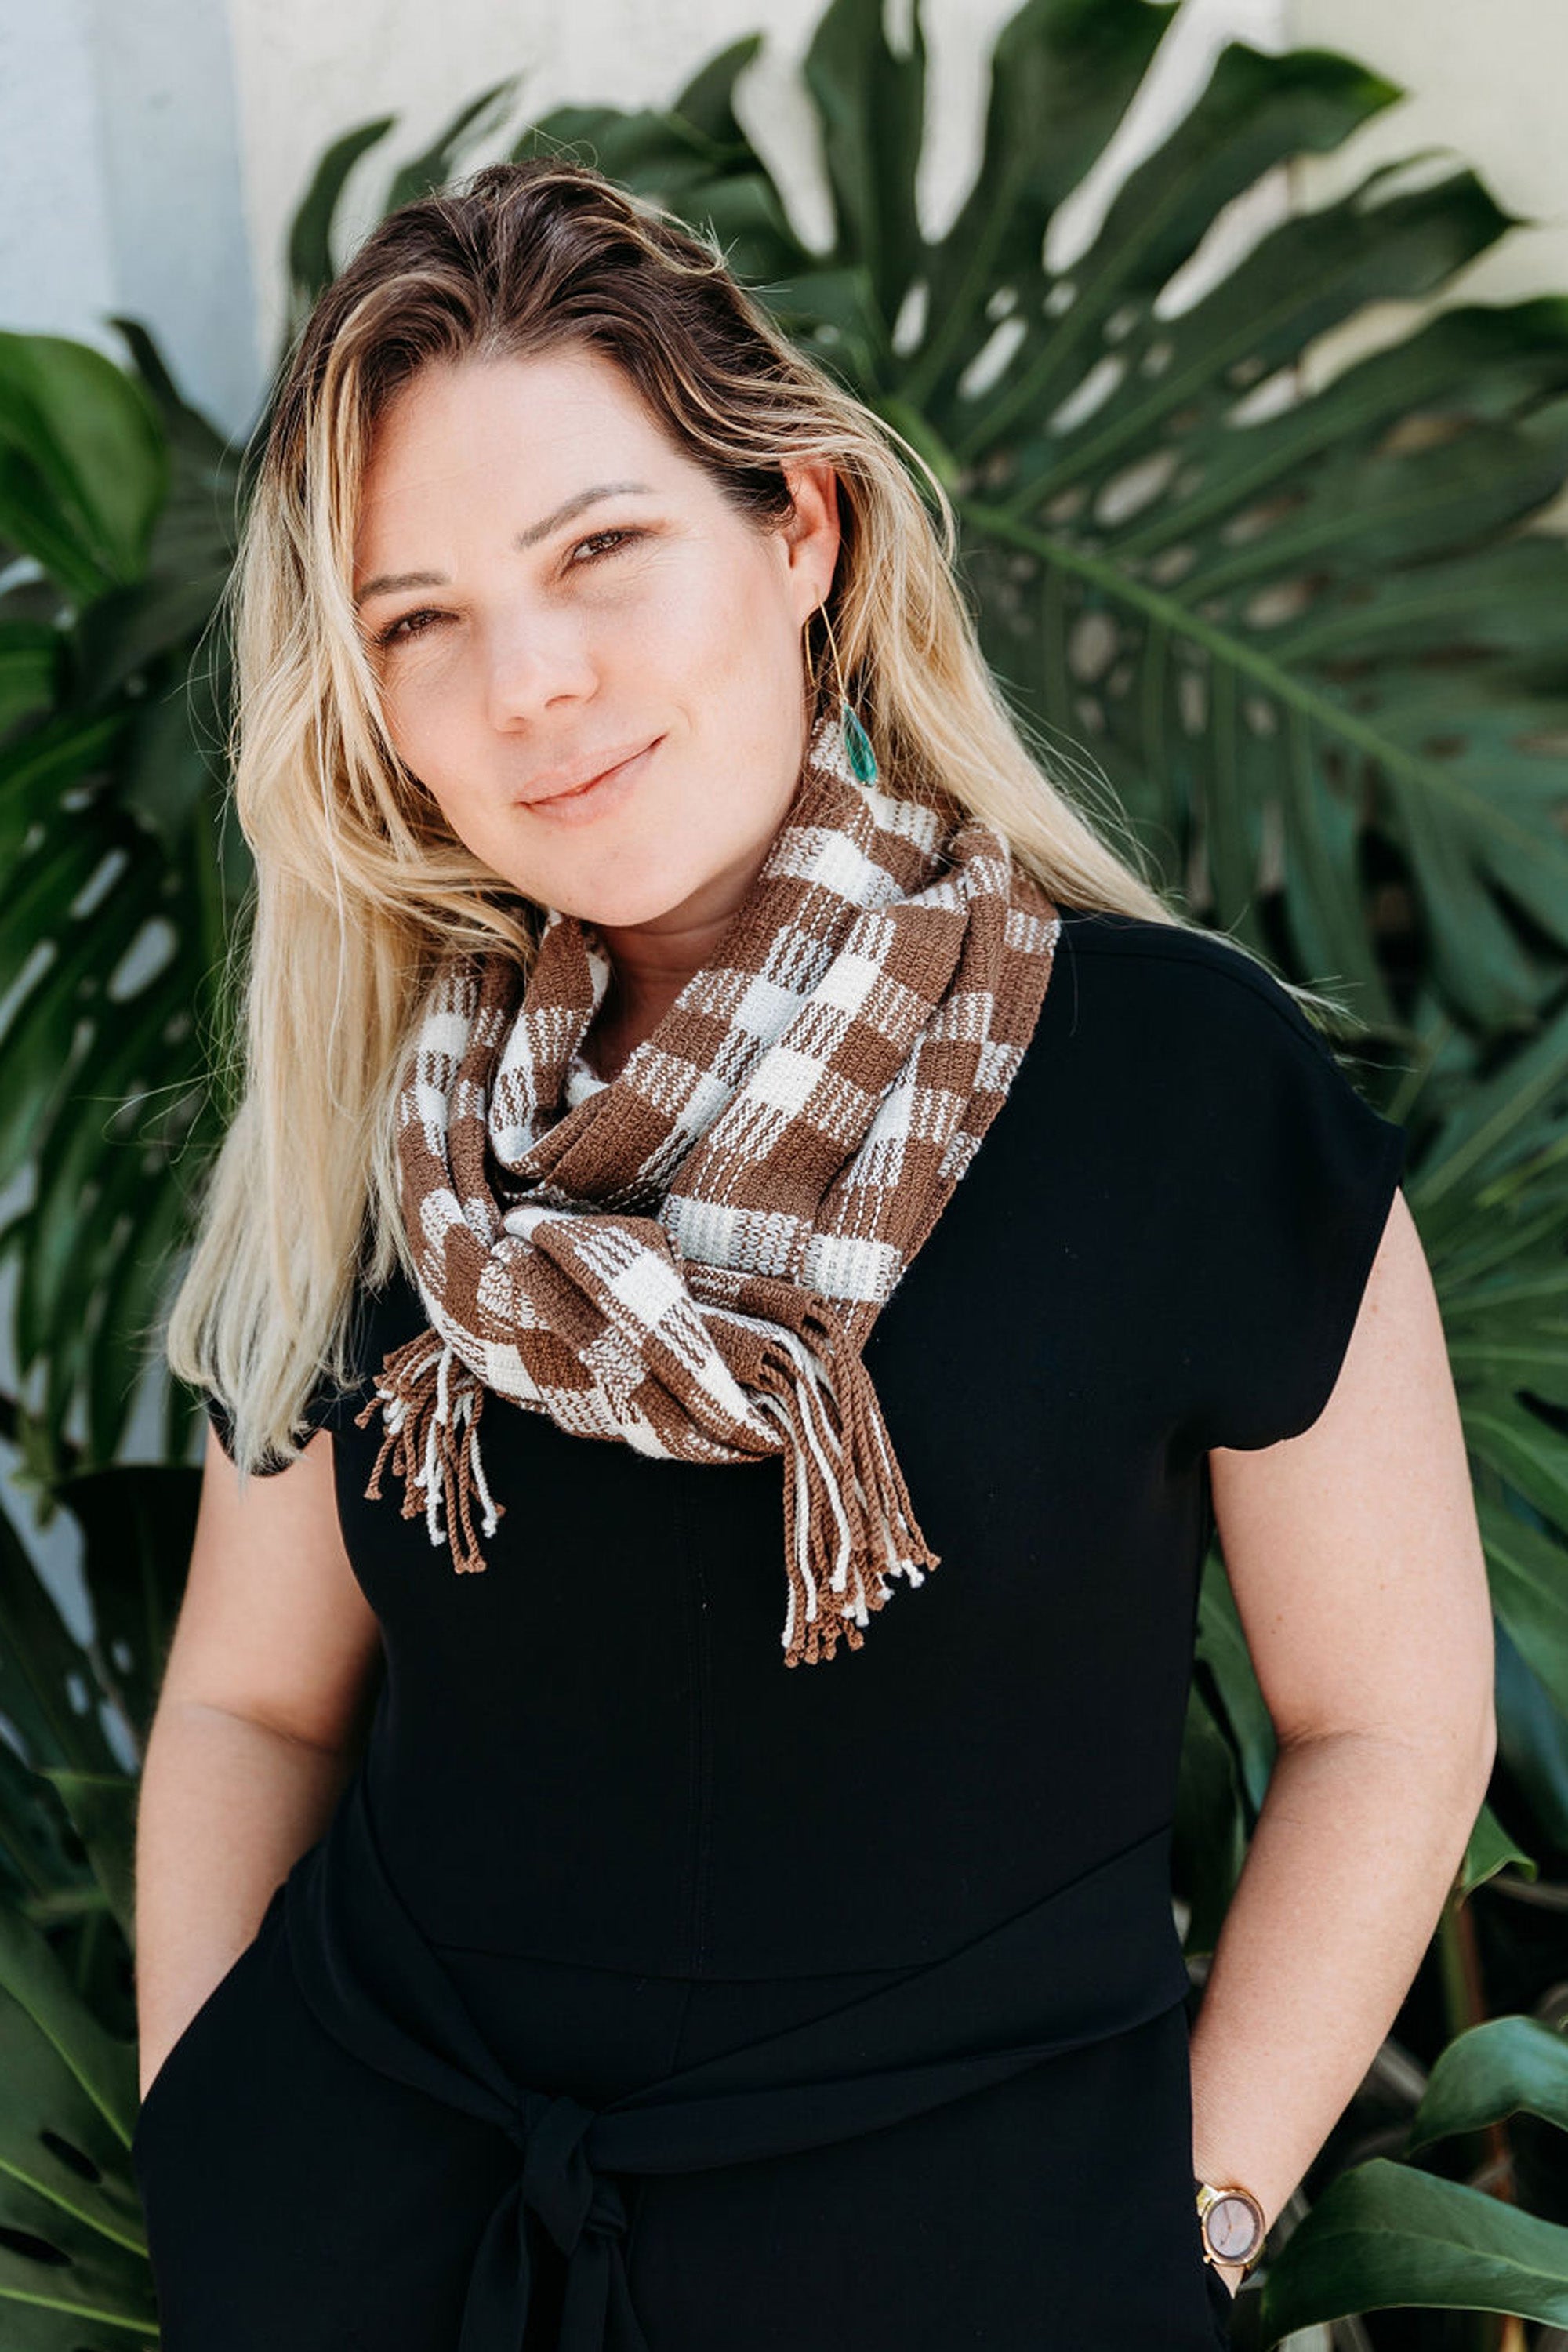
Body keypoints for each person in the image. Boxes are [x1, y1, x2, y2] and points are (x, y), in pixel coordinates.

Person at [132, 158, 1495, 2351]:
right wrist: (220, 2155)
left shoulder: (1174, 1081)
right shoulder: (387, 1116)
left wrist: (1192, 2227)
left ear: (801, 534)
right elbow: (244, 1695)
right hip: (387, 2256)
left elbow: (1393, 1717)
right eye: (421, 619)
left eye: (601, 553)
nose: (533, 683)